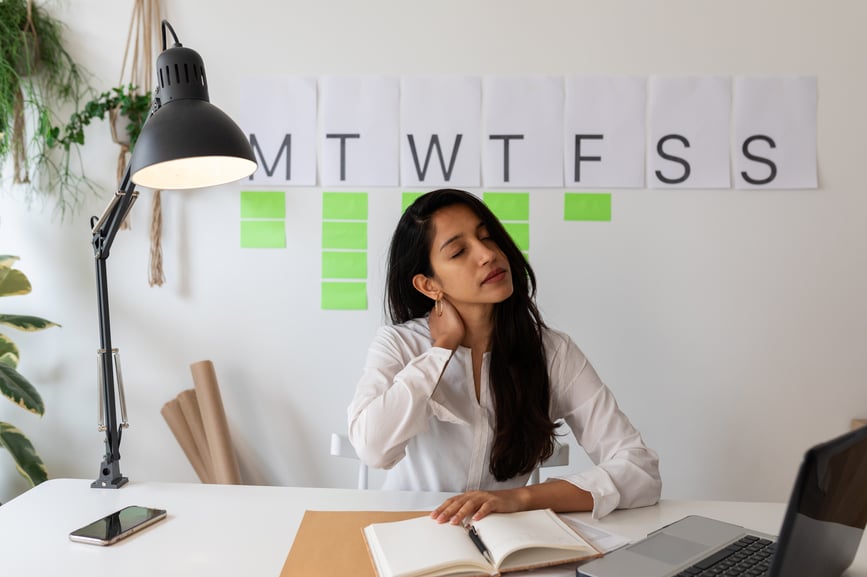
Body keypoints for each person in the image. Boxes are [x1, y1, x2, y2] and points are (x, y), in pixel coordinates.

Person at [347, 188, 661, 524]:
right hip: (413, 532)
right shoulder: (399, 344)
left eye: (487, 237)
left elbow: (639, 470)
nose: (487, 254)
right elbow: (373, 449)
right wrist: (442, 349)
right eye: (458, 251)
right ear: (428, 285)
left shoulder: (553, 353)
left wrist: (519, 498)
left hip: (505, 541)